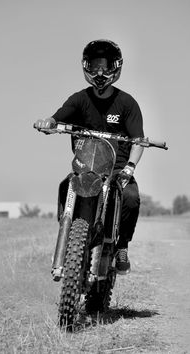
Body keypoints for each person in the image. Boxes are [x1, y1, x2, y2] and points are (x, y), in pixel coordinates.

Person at [35, 39, 144, 275]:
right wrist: (49, 122)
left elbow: (138, 141)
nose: (100, 72)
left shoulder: (127, 103)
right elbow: (57, 118)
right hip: (85, 168)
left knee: (132, 197)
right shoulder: (79, 99)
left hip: (116, 171)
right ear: (86, 66)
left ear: (116, 66)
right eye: (94, 65)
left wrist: (130, 168)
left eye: (105, 65)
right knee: (66, 185)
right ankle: (68, 232)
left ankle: (122, 247)